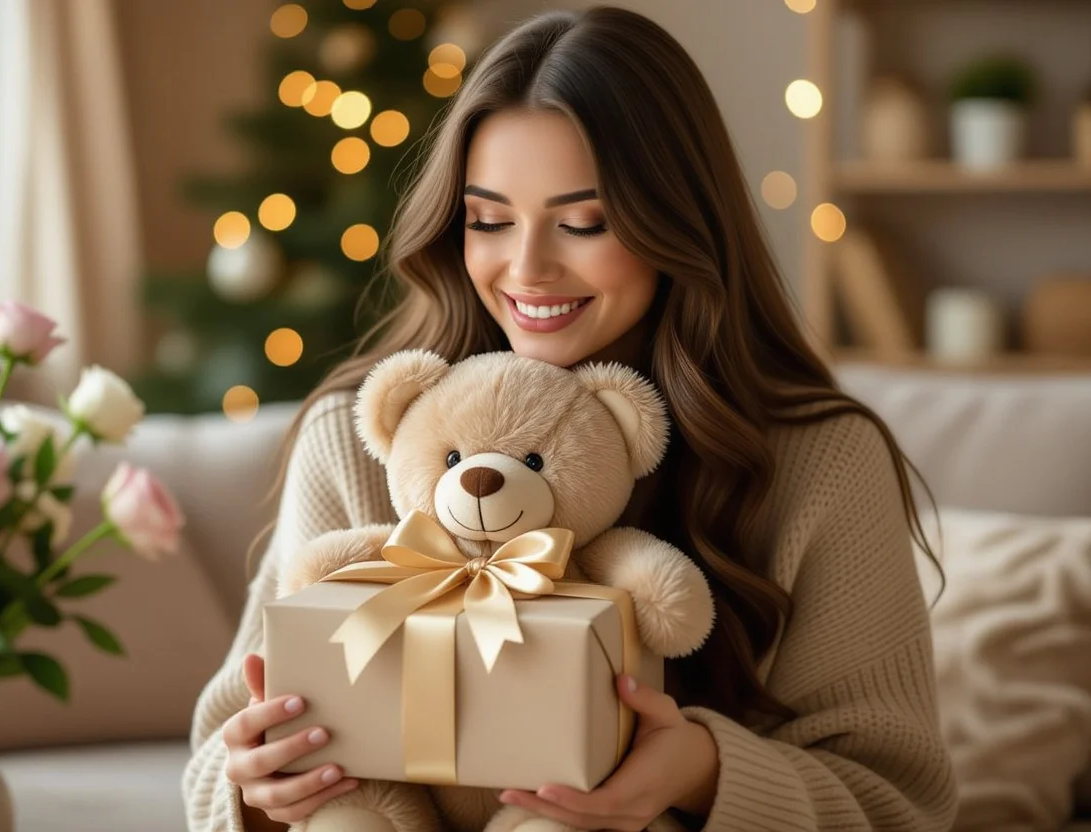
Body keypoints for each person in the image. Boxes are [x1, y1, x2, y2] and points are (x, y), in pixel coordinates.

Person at [183, 6, 957, 831]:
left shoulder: (816, 459)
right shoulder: (359, 433)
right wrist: (257, 788)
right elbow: (213, 762)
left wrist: (701, 771)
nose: (526, 268)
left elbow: (901, 801)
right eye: (488, 220)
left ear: (678, 223)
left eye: (583, 223)